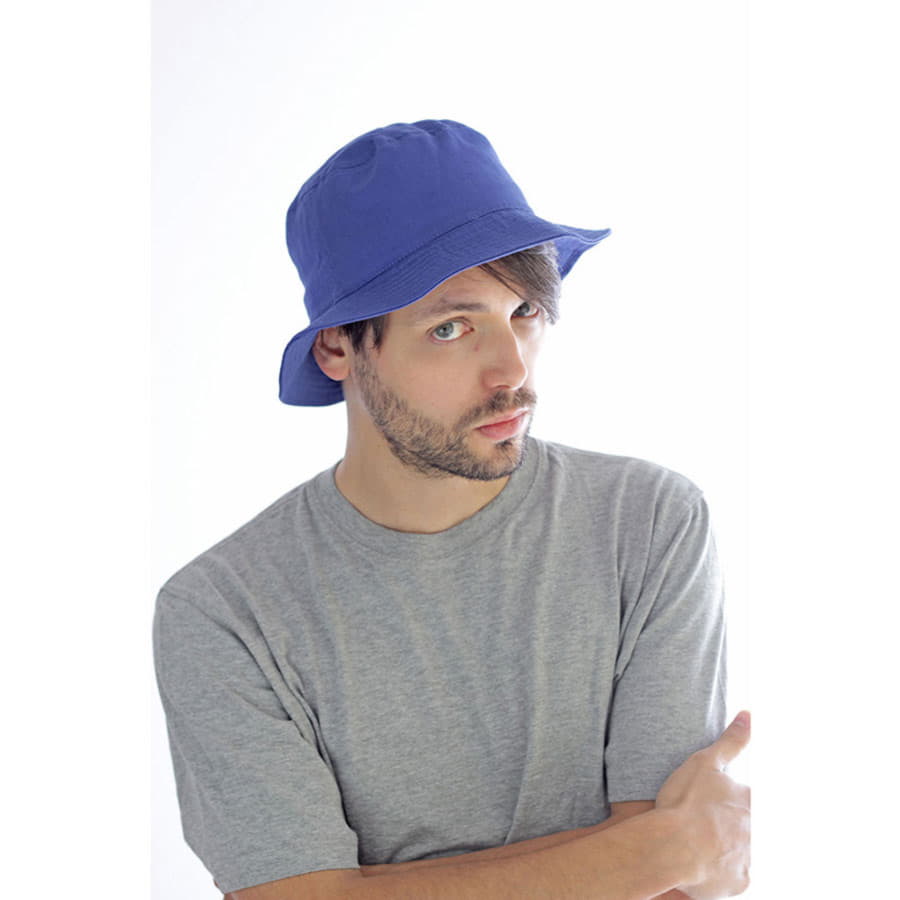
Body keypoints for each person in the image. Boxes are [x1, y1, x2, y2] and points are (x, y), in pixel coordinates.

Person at [153, 119, 750, 899]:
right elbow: (670, 861)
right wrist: (648, 852)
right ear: (338, 349)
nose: (512, 370)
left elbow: (670, 891)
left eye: (524, 312)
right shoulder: (225, 612)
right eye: (451, 327)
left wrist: (371, 887)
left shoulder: (647, 525)